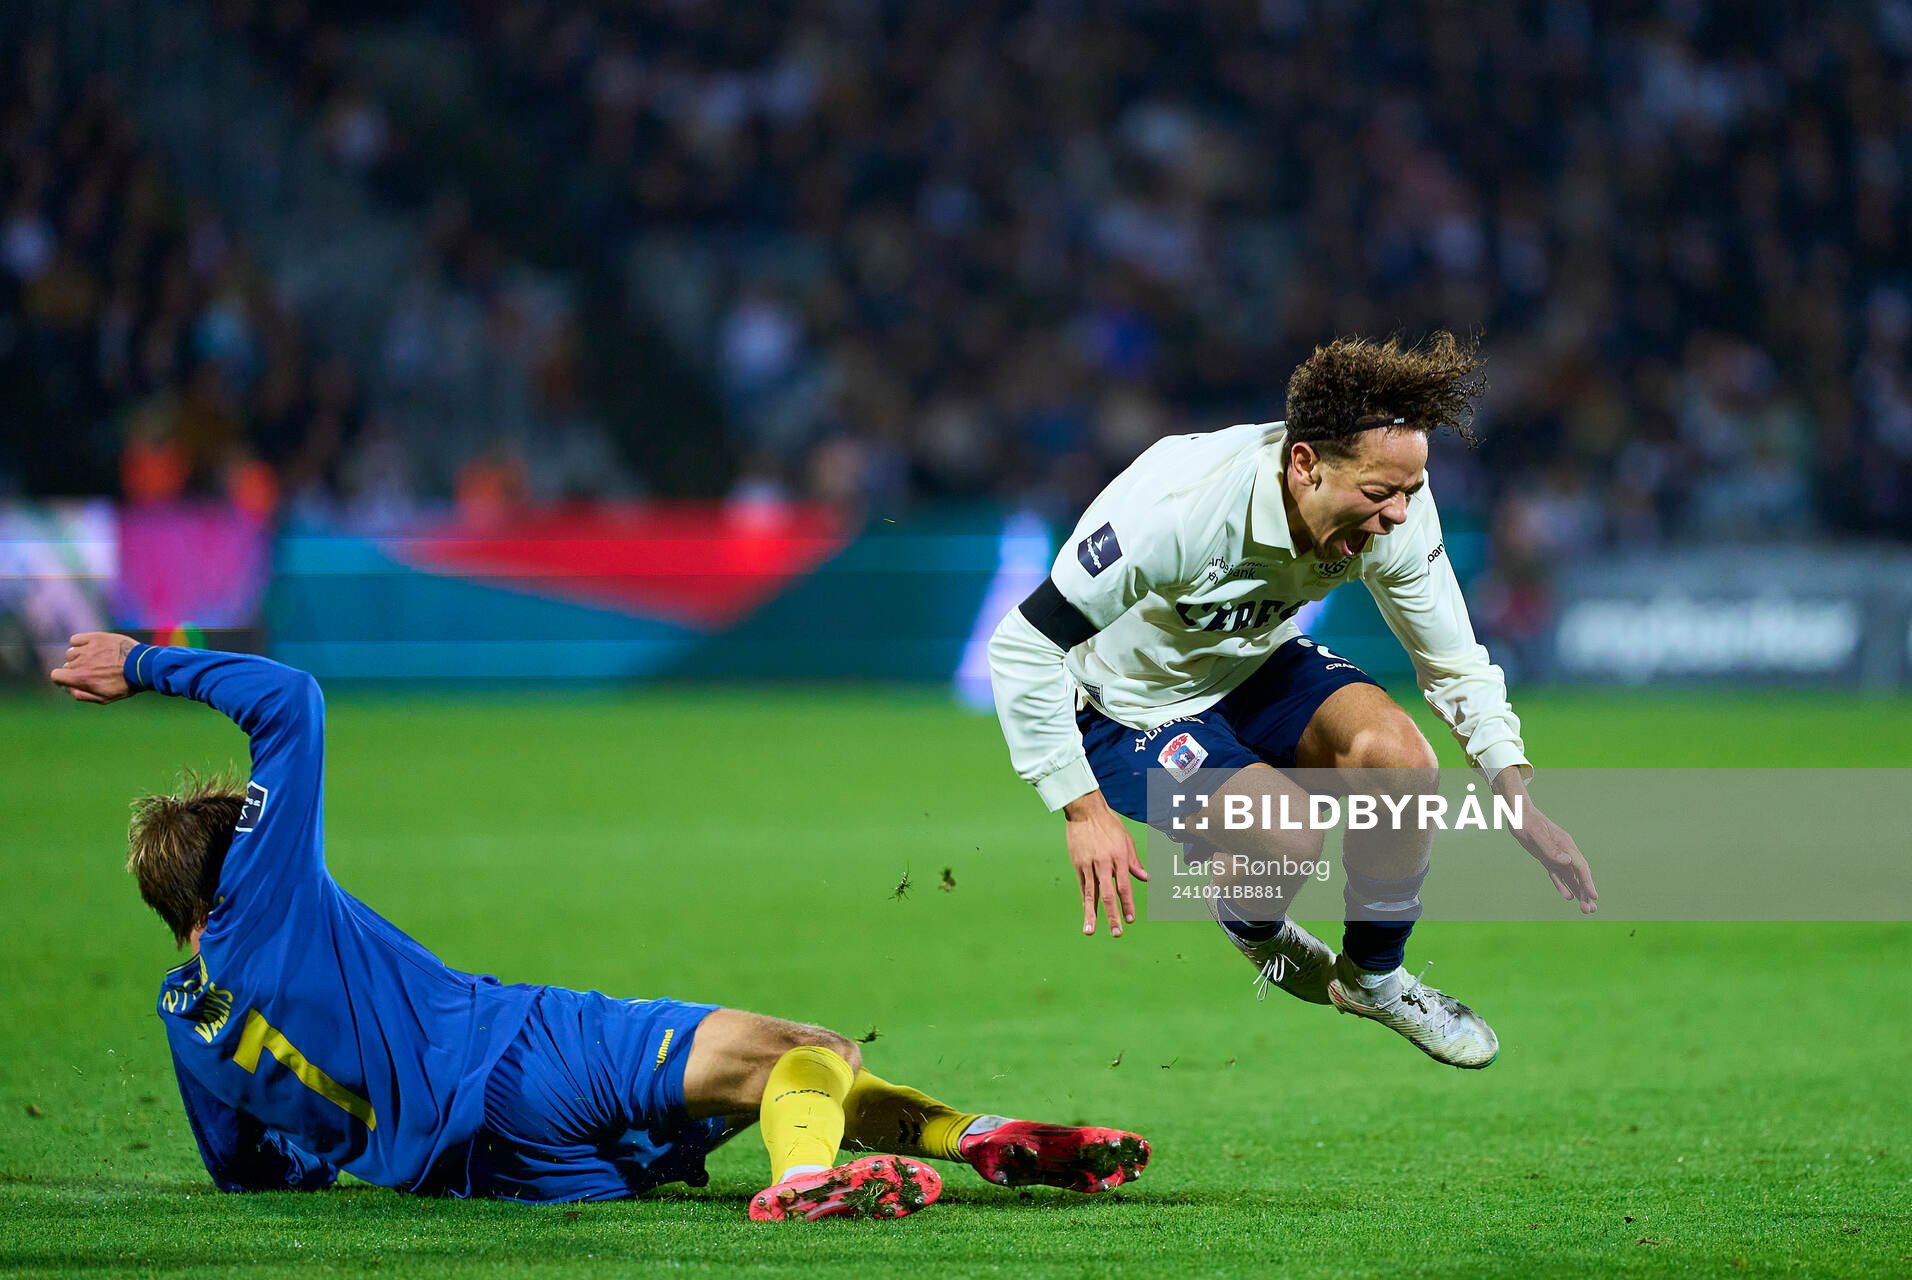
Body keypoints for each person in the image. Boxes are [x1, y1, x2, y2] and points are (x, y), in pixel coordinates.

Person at [51, 633, 1149, 1219]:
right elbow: (287, 698)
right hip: (516, 1048)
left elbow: (252, 1176)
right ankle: (820, 1178)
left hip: (486, 1171)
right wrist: (142, 663)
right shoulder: (265, 895)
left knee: (762, 1084)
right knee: (807, 1052)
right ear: (229, 873)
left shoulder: (187, 1016)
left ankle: (978, 1136)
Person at [987, 332, 1598, 1069]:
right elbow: (1022, 644)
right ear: (1304, 463)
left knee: (1403, 764)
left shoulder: (1397, 503)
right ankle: (1250, 919)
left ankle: (1375, 977)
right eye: (1380, 494)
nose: (1399, 515)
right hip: (1127, 706)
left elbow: (1452, 660)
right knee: (1288, 831)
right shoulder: (1179, 509)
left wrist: (1512, 791)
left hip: (1254, 663)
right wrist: (1081, 810)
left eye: (1411, 490)